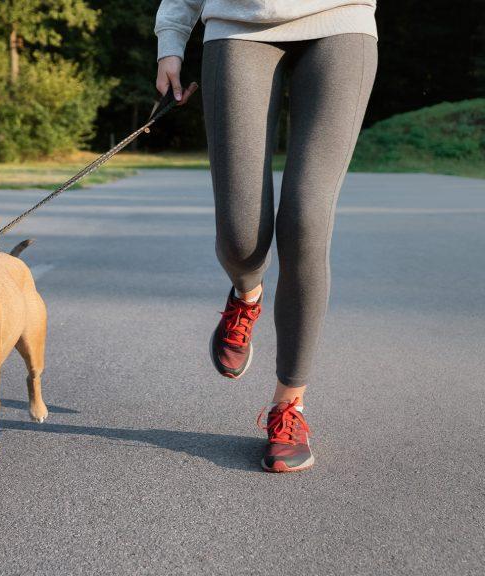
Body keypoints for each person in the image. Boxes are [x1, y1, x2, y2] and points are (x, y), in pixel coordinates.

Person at [154, 1, 378, 472]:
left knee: (306, 221)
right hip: (237, 26)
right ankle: (246, 294)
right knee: (242, 238)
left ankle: (288, 407)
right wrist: (170, 43)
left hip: (342, 21)